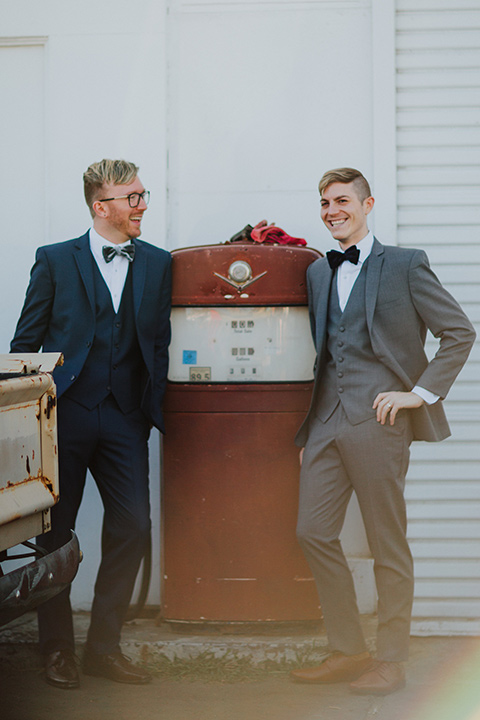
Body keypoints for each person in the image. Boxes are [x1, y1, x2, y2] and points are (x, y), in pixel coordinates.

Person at [291, 168, 475, 695]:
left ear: (368, 204)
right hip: (325, 424)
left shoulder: (405, 264)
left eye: (342, 200)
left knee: (386, 542)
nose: (332, 211)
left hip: (379, 422)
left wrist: (417, 394)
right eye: (324, 202)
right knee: (312, 532)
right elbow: (328, 353)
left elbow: (458, 333)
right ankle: (348, 650)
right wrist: (311, 434)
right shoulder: (318, 274)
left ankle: (390, 659)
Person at [11, 159, 172, 688]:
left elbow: (160, 343)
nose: (142, 204)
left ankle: (105, 647)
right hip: (65, 417)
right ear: (100, 206)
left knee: (133, 528)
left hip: (127, 418)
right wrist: (30, 418)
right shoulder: (56, 260)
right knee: (55, 535)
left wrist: (154, 409)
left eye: (143, 194)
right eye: (132, 197)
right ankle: (57, 649)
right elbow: (25, 345)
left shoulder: (157, 262)